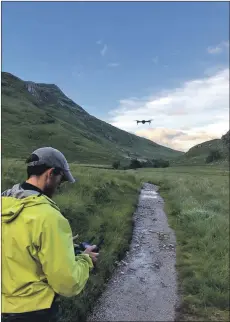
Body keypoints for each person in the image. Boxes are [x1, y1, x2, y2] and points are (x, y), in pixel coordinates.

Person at [1, 147, 98, 322]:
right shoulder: (49, 217)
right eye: (60, 180)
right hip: (36, 312)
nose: (59, 186)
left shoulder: (5, 204)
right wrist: (86, 259)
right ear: (51, 173)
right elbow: (67, 283)